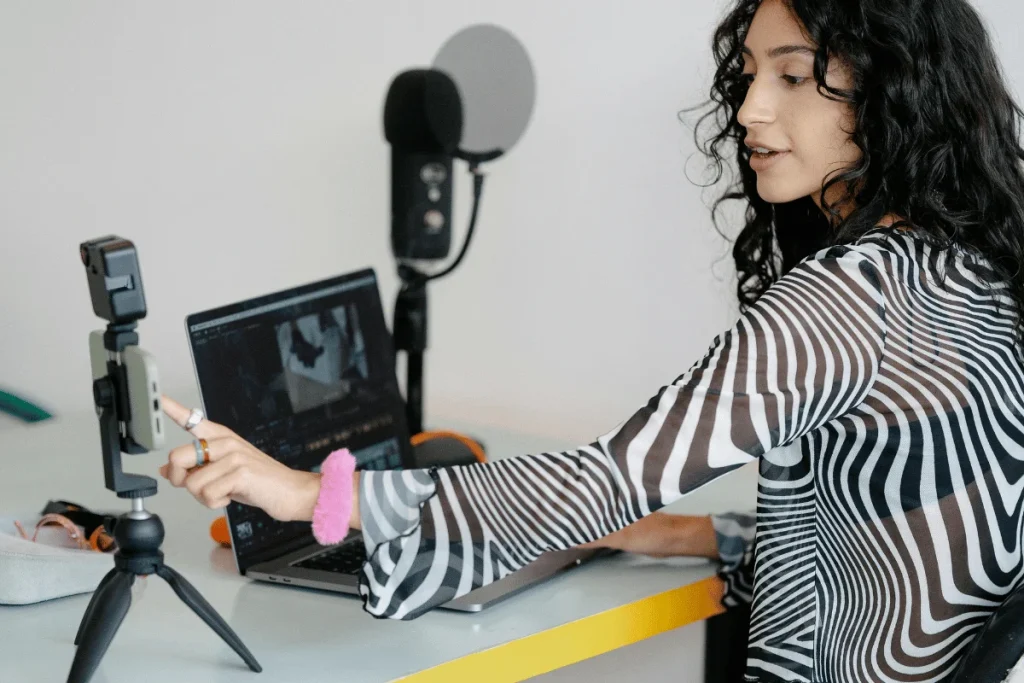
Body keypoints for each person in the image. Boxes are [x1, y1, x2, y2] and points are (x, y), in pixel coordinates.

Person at [158, 0, 1024, 679]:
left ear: (893, 86)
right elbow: (894, 534)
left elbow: (607, 478)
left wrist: (312, 494)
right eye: (751, 73)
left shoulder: (849, 297)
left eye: (795, 77)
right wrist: (680, 535)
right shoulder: (969, 266)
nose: (753, 109)